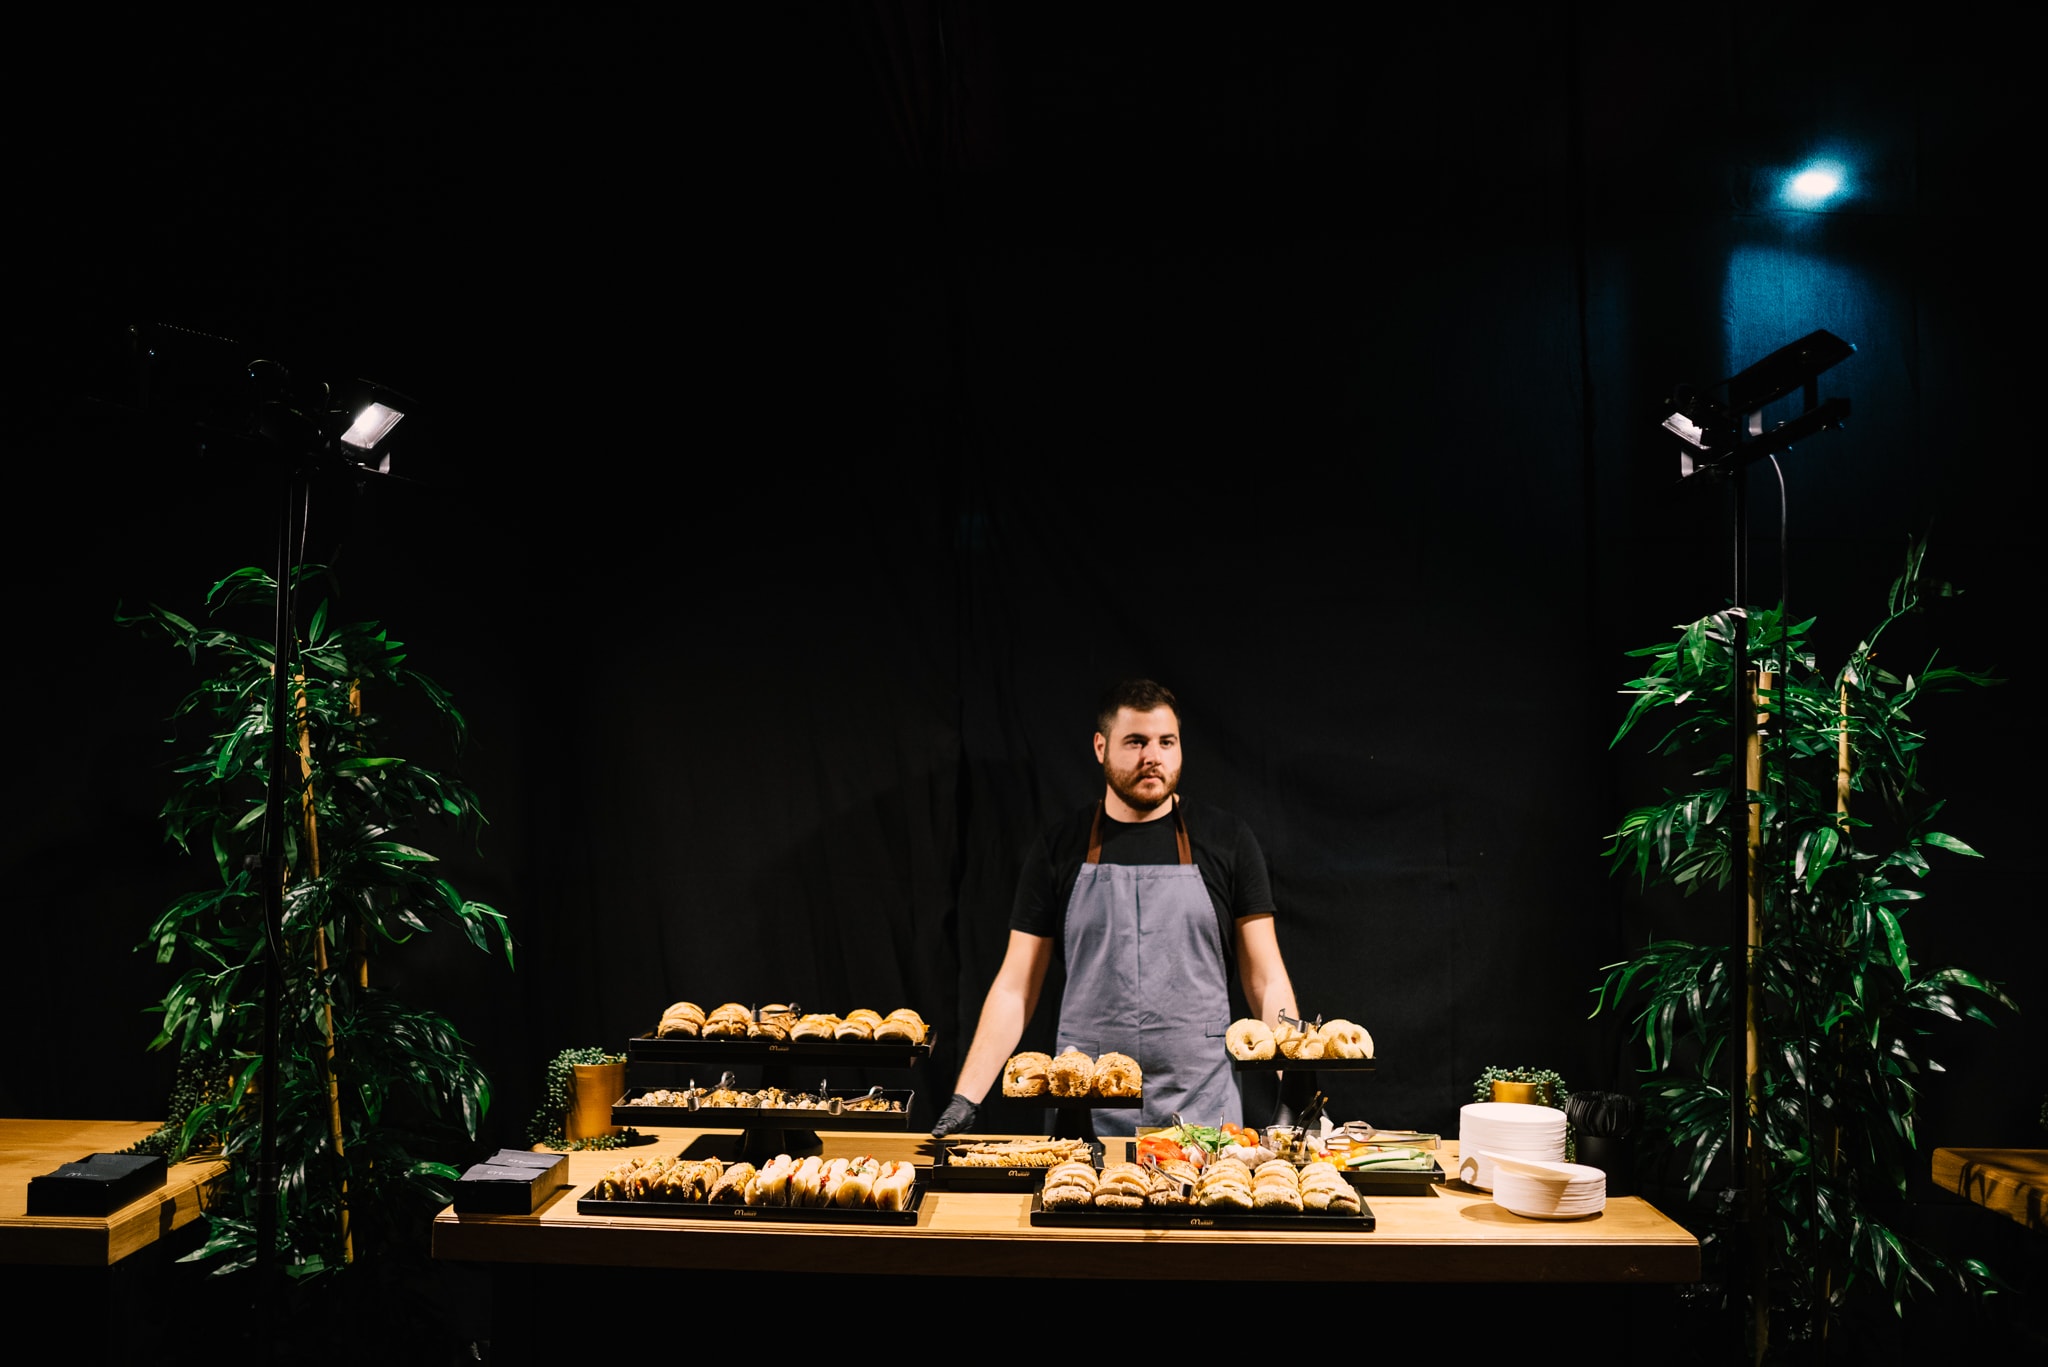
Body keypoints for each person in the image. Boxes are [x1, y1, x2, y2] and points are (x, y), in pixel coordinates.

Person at [931, 679, 1298, 1137]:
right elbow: (1015, 987)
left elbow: (1266, 979)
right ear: (1101, 747)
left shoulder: (1228, 841)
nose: (1153, 756)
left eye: (1166, 742)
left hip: (1202, 1110)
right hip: (1086, 1108)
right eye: (1136, 742)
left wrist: (1296, 1087)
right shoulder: (1059, 849)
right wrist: (966, 1097)